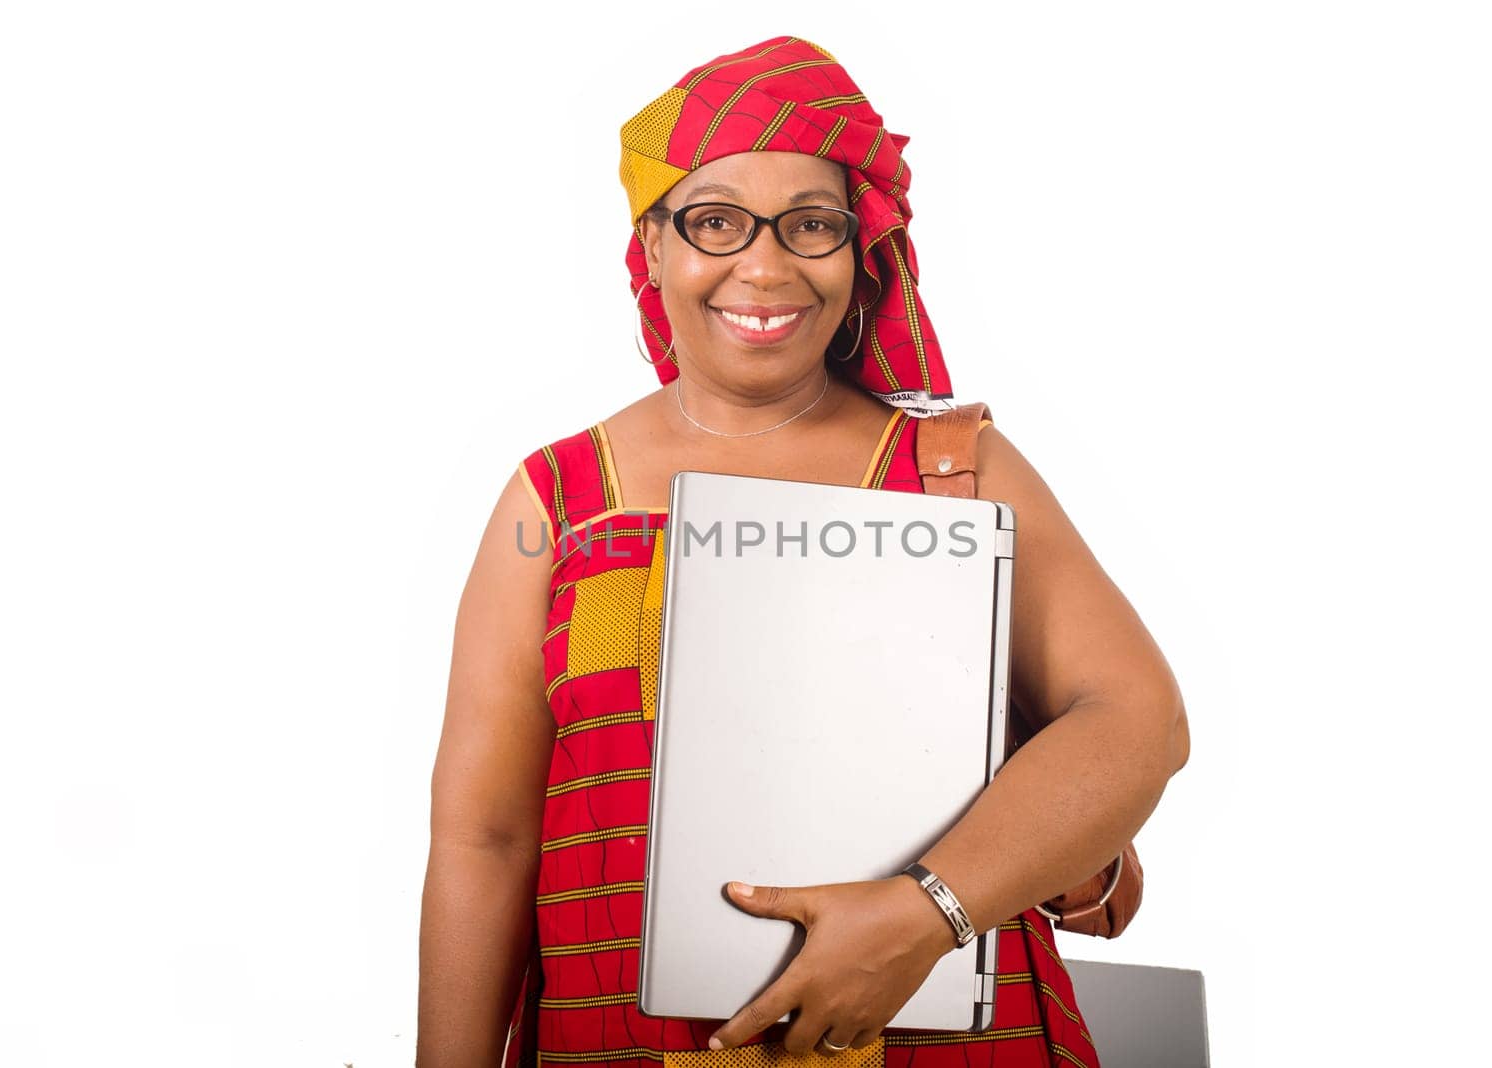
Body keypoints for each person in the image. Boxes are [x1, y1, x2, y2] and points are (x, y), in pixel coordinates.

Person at [418, 35, 1190, 1068]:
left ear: (858, 250)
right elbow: (486, 842)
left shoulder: (952, 468)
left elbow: (1137, 720)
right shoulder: (561, 502)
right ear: (653, 247)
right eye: (717, 221)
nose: (765, 265)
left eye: (810, 225)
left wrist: (925, 914)